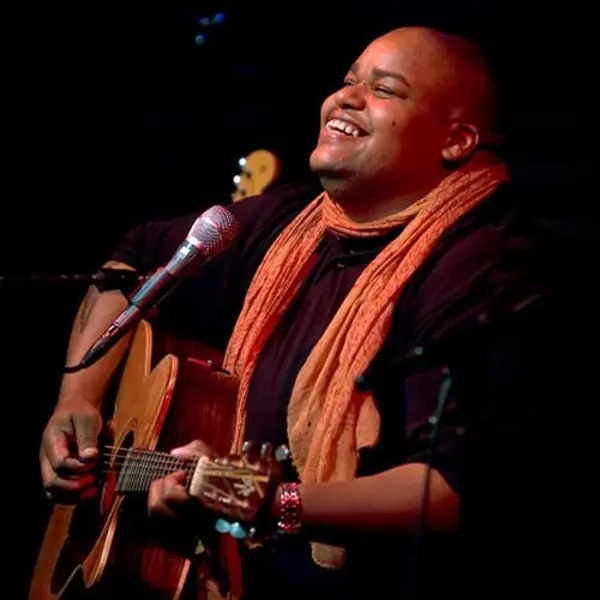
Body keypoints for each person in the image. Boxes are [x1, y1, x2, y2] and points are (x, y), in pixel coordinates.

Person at [39, 25, 559, 599]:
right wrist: (77, 401)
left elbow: (452, 490)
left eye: (384, 89)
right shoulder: (287, 221)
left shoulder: (482, 271)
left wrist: (272, 500)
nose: (345, 98)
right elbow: (128, 267)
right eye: (346, 81)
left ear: (456, 141)